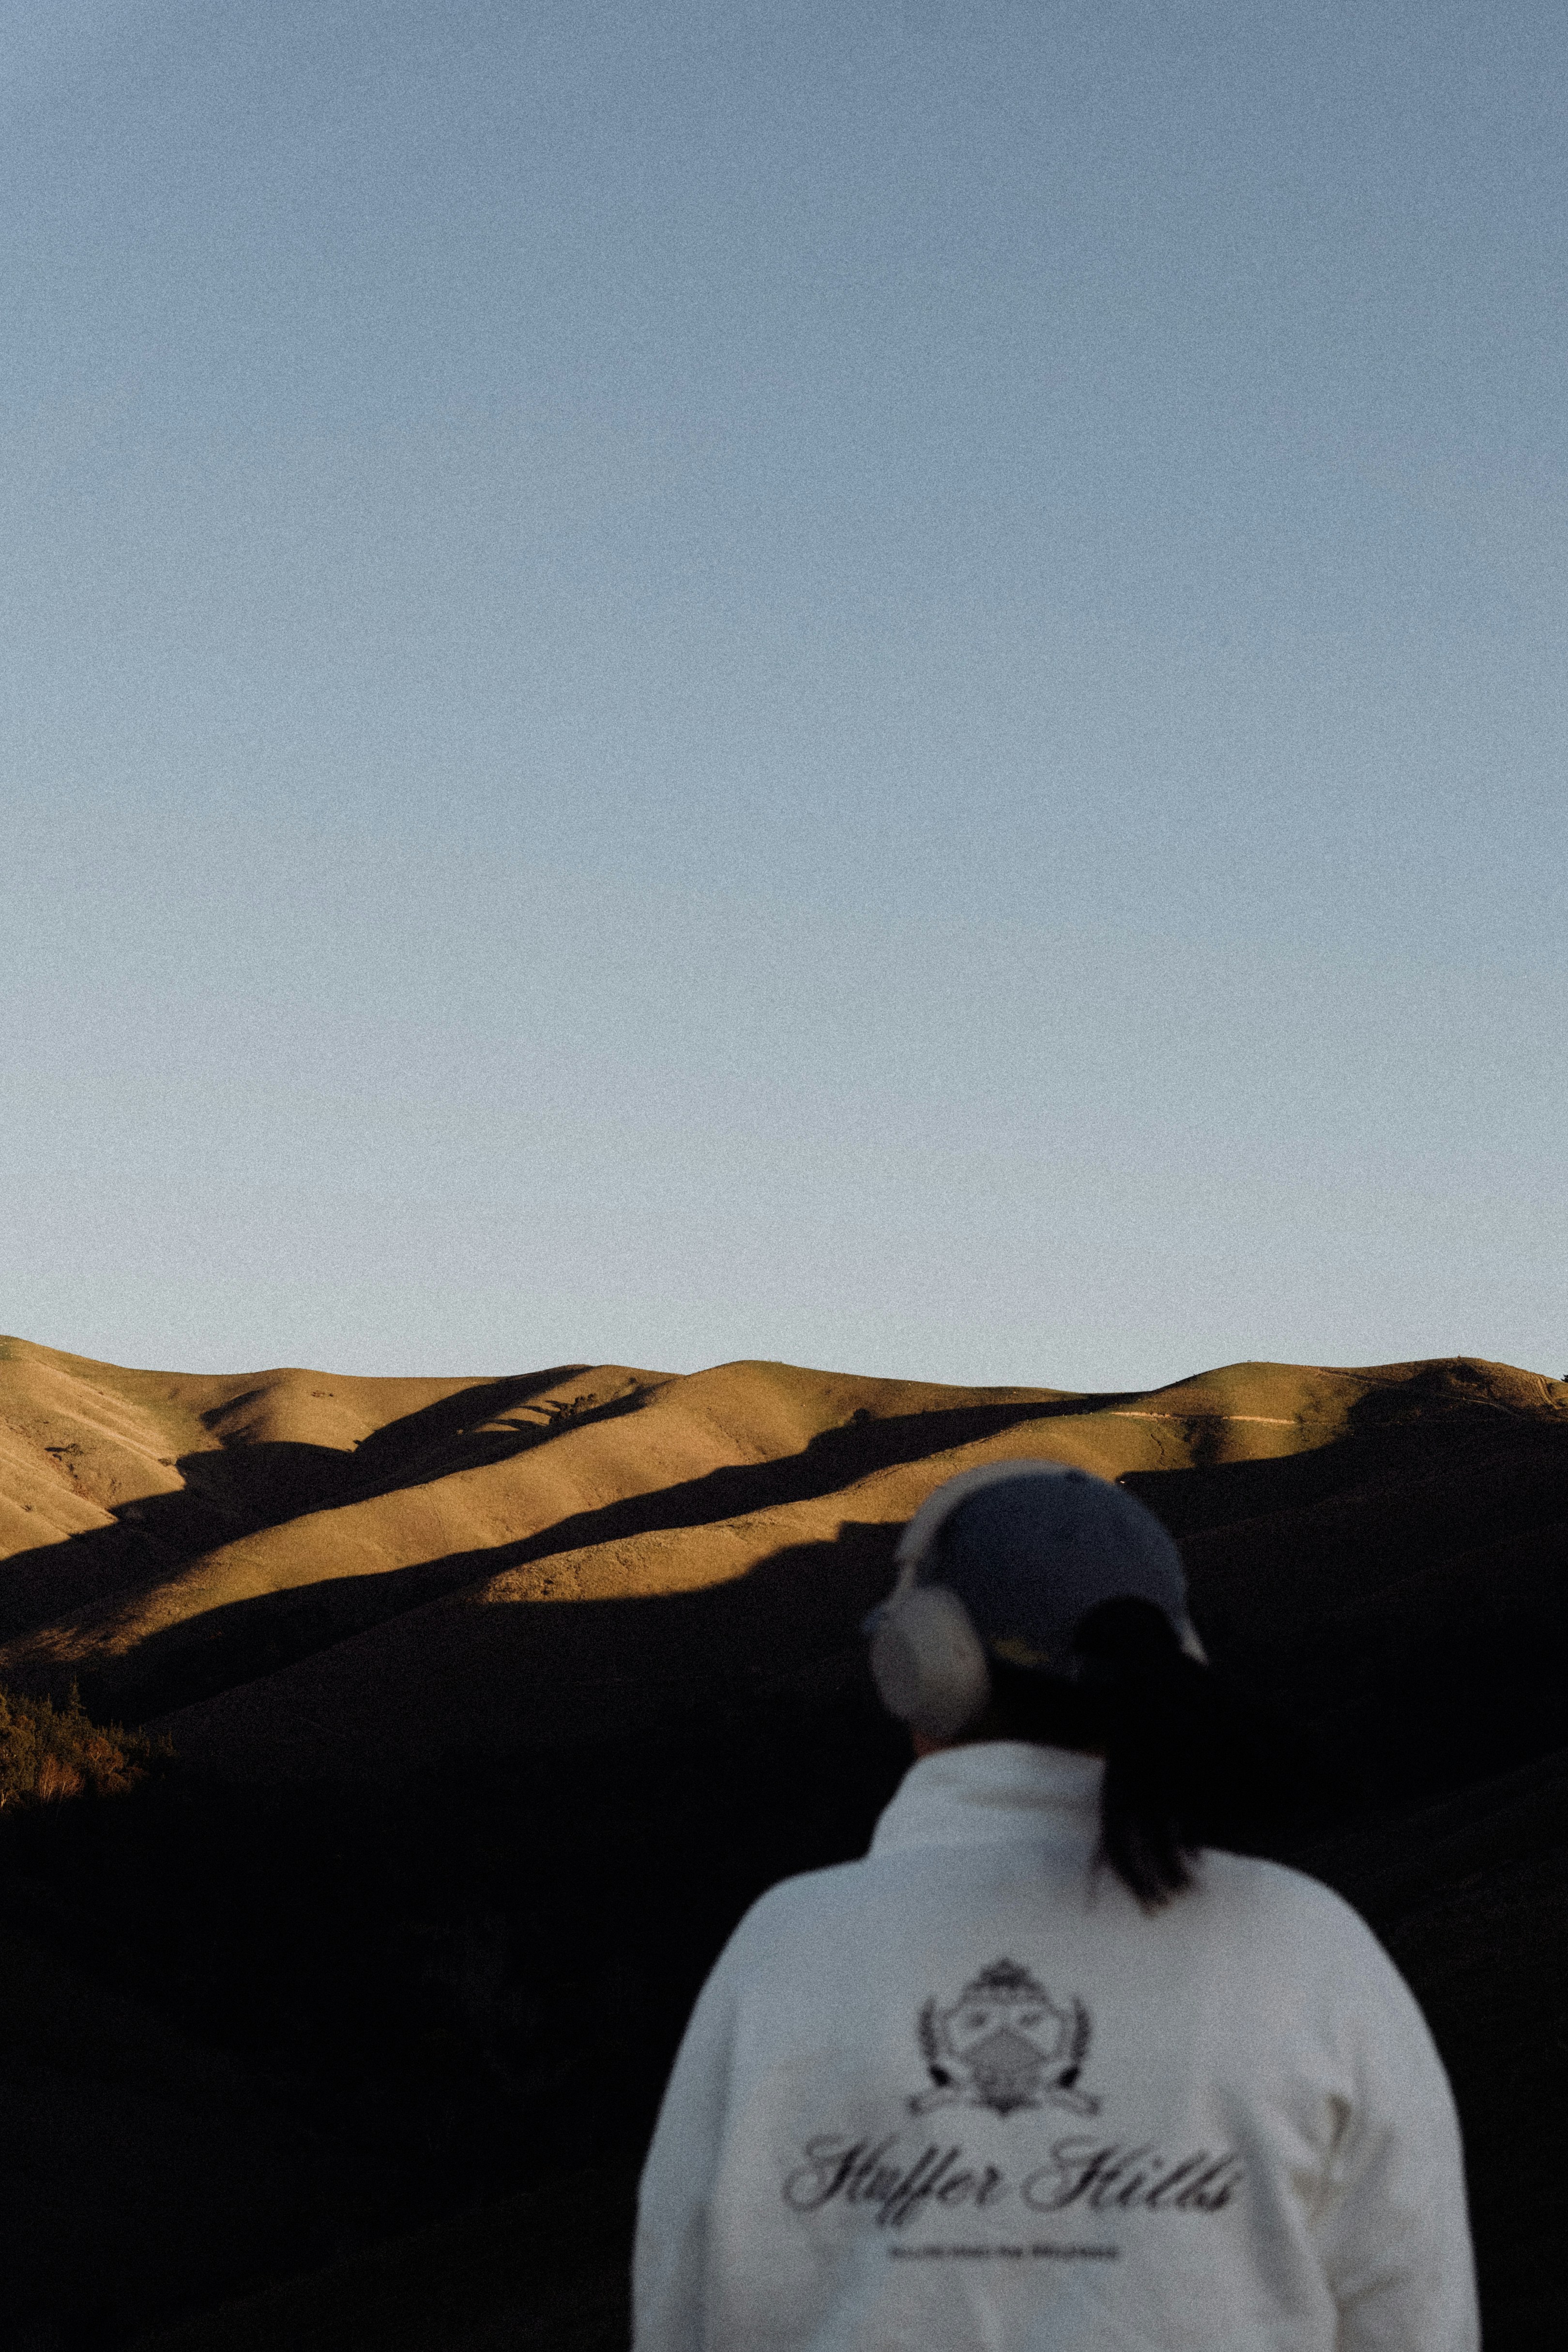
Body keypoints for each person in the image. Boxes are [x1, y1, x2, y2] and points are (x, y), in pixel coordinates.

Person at [632, 1460, 1479, 2352]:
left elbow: (678, 2314)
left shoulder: (782, 1951)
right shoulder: (1314, 1951)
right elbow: (1414, 2322)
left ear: (925, 1664)